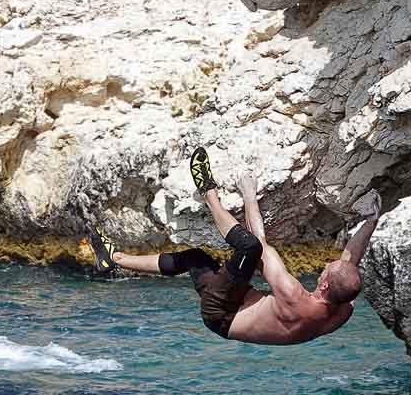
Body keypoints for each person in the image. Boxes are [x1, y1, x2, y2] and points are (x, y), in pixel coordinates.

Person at [88, 148, 381, 347]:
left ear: (325, 285)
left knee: (250, 248)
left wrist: (249, 194)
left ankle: (209, 193)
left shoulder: (294, 295)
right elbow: (349, 263)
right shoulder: (342, 311)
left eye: (327, 268)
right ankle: (113, 259)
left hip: (221, 312)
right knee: (194, 259)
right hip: (234, 313)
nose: (327, 264)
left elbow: (260, 241)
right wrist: (371, 221)